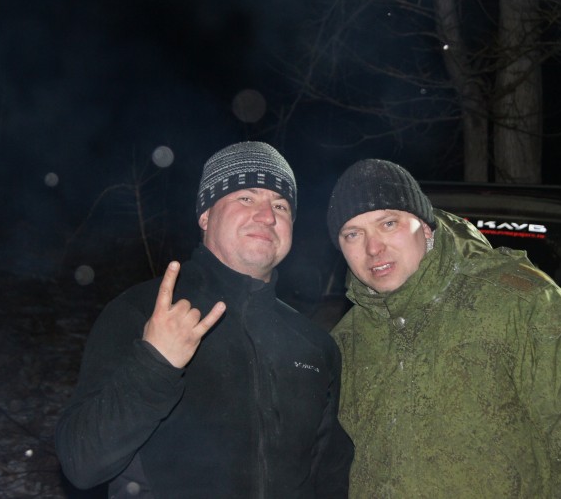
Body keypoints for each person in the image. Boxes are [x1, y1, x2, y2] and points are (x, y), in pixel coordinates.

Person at [56, 141, 353, 498]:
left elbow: (330, 478)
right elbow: (81, 463)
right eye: (246, 197)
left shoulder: (315, 346)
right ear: (206, 215)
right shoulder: (143, 312)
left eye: (281, 205)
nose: (267, 216)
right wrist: (155, 364)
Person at [325, 159, 561, 498]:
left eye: (388, 223)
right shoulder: (344, 342)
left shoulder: (522, 304)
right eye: (353, 234)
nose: (373, 248)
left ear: (425, 227)